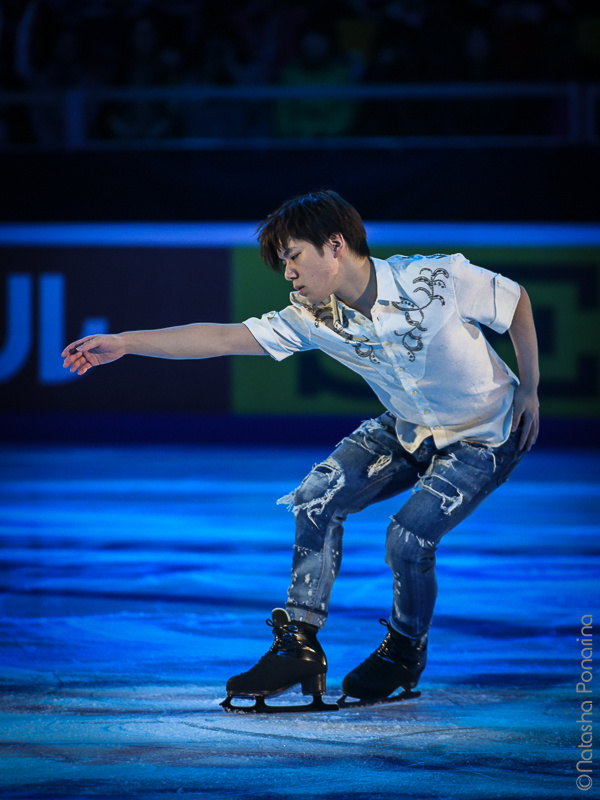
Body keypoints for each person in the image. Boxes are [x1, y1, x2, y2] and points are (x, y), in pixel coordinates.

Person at [62, 189, 539, 712]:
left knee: (407, 537)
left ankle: (404, 652)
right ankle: (299, 646)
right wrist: (127, 342)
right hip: (409, 427)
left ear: (335, 245)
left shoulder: (434, 279)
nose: (287, 273)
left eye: (293, 257)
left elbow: (514, 301)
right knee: (315, 497)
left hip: (487, 432)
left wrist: (530, 388)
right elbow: (221, 338)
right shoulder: (314, 315)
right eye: (282, 262)